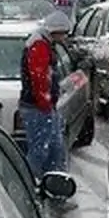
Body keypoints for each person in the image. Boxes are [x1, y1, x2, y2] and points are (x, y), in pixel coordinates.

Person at [19, 10, 71, 180]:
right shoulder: (40, 46)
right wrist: (45, 104)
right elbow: (40, 78)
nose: (64, 37)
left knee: (55, 149)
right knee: (41, 150)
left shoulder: (42, 43)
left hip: (42, 107)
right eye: (64, 33)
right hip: (38, 108)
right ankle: (33, 184)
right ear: (55, 31)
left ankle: (54, 184)